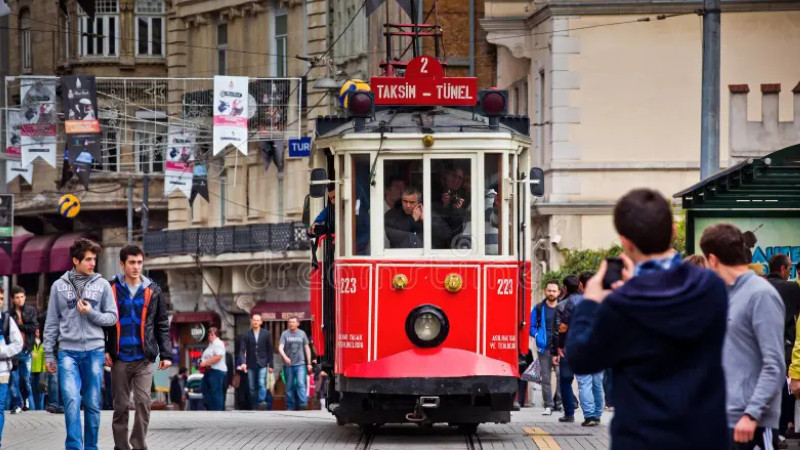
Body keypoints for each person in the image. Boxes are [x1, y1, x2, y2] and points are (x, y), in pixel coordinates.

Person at [566, 188, 729, 450]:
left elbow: (580, 357)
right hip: (704, 436)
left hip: (642, 439)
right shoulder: (711, 287)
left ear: (625, 242)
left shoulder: (620, 304)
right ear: (674, 232)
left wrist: (591, 301)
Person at [701, 224, 785, 450]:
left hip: (752, 424)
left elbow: (774, 364)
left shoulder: (761, 294)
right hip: (726, 418)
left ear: (713, 259)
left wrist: (752, 413)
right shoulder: (727, 295)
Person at [44, 238, 118, 450]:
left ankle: (91, 447)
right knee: (71, 402)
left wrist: (90, 313)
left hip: (94, 352)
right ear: (75, 260)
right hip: (67, 352)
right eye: (88, 259)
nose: (92, 263)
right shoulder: (58, 286)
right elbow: (51, 322)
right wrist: (49, 355)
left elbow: (112, 318)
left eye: (94, 259)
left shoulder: (103, 285)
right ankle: (74, 447)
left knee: (93, 404)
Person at [104, 244, 172, 450]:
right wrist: (105, 349)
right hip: (119, 358)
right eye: (132, 262)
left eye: (139, 262)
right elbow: (102, 323)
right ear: (122, 264)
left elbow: (162, 323)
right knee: (121, 406)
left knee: (144, 402)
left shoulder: (154, 290)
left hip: (145, 358)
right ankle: (121, 446)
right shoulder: (111, 288)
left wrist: (166, 354)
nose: (136, 267)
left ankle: (139, 445)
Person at [766, 253, 800, 444]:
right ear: (782, 269)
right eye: (789, 269)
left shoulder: (759, 286)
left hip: (761, 347)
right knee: (785, 390)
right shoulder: (792, 288)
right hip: (784, 348)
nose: (789, 273)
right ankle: (780, 430)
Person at [574, 271, 604, 427]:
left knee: (584, 382)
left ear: (581, 284)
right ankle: (598, 414)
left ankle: (590, 415)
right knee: (597, 382)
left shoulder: (576, 302)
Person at [529, 279, 562, 415]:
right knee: (546, 378)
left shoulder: (563, 307)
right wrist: (538, 336)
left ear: (559, 292)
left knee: (561, 376)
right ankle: (548, 405)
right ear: (545, 291)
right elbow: (531, 327)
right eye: (549, 290)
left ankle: (558, 403)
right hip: (544, 348)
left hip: (559, 348)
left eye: (554, 291)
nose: (551, 293)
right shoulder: (538, 308)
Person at [552, 274, 581, 423]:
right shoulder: (588, 301)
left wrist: (556, 350)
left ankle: (569, 413)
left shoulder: (561, 306)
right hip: (586, 345)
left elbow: (558, 330)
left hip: (568, 347)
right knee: (588, 381)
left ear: (564, 288)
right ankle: (593, 414)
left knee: (566, 380)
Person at [9, 286, 37, 413]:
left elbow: (33, 327)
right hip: (13, 352)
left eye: (22, 297)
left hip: (26, 350)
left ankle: (25, 400)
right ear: (12, 299)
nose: (20, 300)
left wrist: (18, 326)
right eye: (17, 297)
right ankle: (17, 404)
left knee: (26, 380)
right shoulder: (8, 314)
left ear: (25, 297)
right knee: (14, 380)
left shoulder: (31, 310)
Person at [238, 313, 274, 410]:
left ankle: (261, 402)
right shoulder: (247, 334)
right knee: (252, 387)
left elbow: (270, 350)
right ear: (251, 321)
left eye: (258, 320)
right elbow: (242, 350)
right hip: (251, 363)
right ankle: (255, 404)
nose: (256, 322)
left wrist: (271, 365)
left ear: (261, 322)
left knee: (262, 382)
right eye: (254, 320)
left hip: (263, 362)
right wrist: (243, 362)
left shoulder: (266, 334)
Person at [0, 295, 22, 448]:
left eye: (1, 298)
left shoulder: (6, 320)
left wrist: (2, 351)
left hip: (2, 371)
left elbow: (18, 343)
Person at [278, 317, 312, 411]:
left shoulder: (302, 333)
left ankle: (303, 404)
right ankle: (290, 406)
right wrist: (285, 357)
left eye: (293, 322)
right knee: (289, 386)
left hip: (300, 364)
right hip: (288, 365)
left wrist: (309, 363)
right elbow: (280, 348)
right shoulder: (285, 333)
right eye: (289, 322)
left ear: (298, 323)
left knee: (301, 383)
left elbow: (307, 348)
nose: (291, 323)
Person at [199, 327, 227, 411]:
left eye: (212, 334)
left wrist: (205, 363)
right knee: (204, 387)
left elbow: (218, 357)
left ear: (216, 335)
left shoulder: (218, 343)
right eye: (209, 334)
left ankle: (217, 409)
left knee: (215, 391)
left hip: (217, 370)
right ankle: (211, 407)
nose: (210, 336)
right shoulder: (210, 345)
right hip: (209, 370)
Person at [30, 328, 46, 411]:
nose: (37, 332)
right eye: (36, 330)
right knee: (34, 391)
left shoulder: (44, 343)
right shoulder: (31, 342)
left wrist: (44, 369)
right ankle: (36, 409)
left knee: (41, 391)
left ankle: (40, 409)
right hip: (32, 370)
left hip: (41, 370)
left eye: (39, 330)